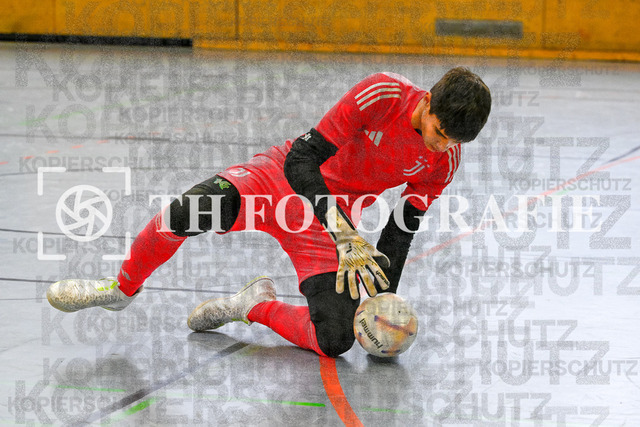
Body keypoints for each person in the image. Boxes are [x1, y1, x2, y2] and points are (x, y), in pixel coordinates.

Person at [47, 67, 491, 358]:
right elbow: (302, 159)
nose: (443, 145)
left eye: (456, 141)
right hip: (280, 182)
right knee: (187, 211)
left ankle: (253, 305)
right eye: (440, 132)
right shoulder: (382, 94)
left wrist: (381, 303)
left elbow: (401, 228)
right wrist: (342, 232)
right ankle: (121, 288)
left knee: (335, 340)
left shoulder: (444, 161)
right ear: (427, 102)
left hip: (326, 223)